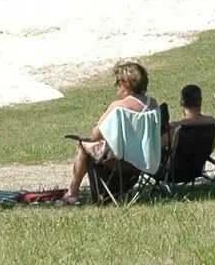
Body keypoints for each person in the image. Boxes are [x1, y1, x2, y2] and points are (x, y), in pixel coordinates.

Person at [66, 61, 157, 203]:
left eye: (117, 83)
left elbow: (95, 135)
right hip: (143, 159)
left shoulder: (118, 107)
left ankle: (73, 192)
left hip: (119, 160)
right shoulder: (152, 104)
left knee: (84, 146)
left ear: (124, 84)